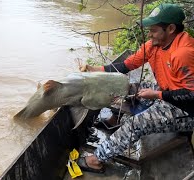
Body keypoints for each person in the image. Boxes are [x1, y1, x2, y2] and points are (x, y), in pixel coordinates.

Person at [77, 3, 194, 173]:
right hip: (166, 93)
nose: (149, 34)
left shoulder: (184, 53)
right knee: (129, 88)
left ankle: (96, 159)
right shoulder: (154, 45)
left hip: (187, 110)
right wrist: (93, 69)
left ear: (170, 28)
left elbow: (191, 94)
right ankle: (114, 120)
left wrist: (157, 95)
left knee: (136, 124)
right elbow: (126, 65)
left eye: (153, 30)